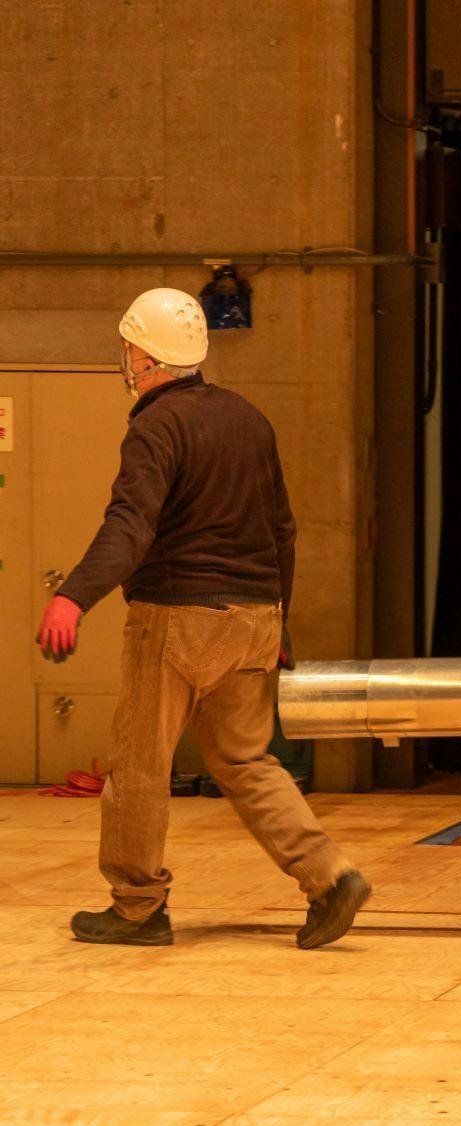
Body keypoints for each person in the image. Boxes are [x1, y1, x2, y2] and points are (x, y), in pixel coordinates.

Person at [35, 287, 372, 949]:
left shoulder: (154, 426)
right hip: (255, 618)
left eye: (128, 349)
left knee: (139, 765)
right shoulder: (249, 419)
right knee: (246, 760)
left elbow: (130, 527)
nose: (126, 360)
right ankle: (330, 877)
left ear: (146, 357)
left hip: (178, 619)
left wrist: (73, 596)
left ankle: (137, 908)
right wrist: (279, 621)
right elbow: (282, 529)